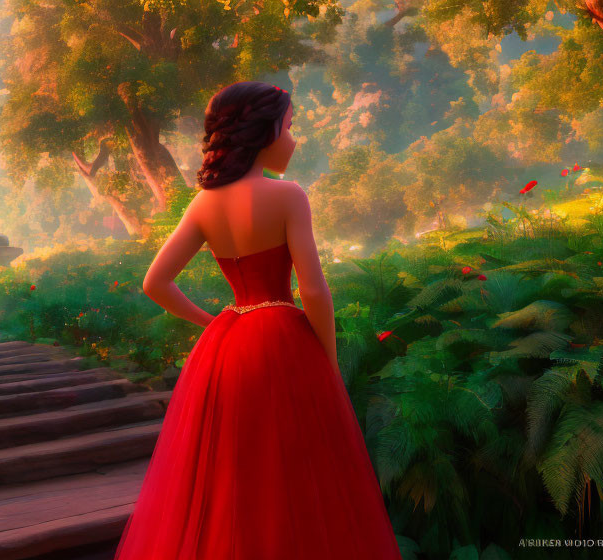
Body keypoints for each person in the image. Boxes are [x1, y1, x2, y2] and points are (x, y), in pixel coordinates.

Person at [113, 81, 402, 559]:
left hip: (227, 346)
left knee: (232, 473)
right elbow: (311, 287)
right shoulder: (288, 195)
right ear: (264, 131)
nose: (293, 139)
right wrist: (327, 361)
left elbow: (155, 283)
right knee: (294, 470)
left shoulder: (203, 204)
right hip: (283, 341)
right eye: (289, 127)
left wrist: (212, 324)